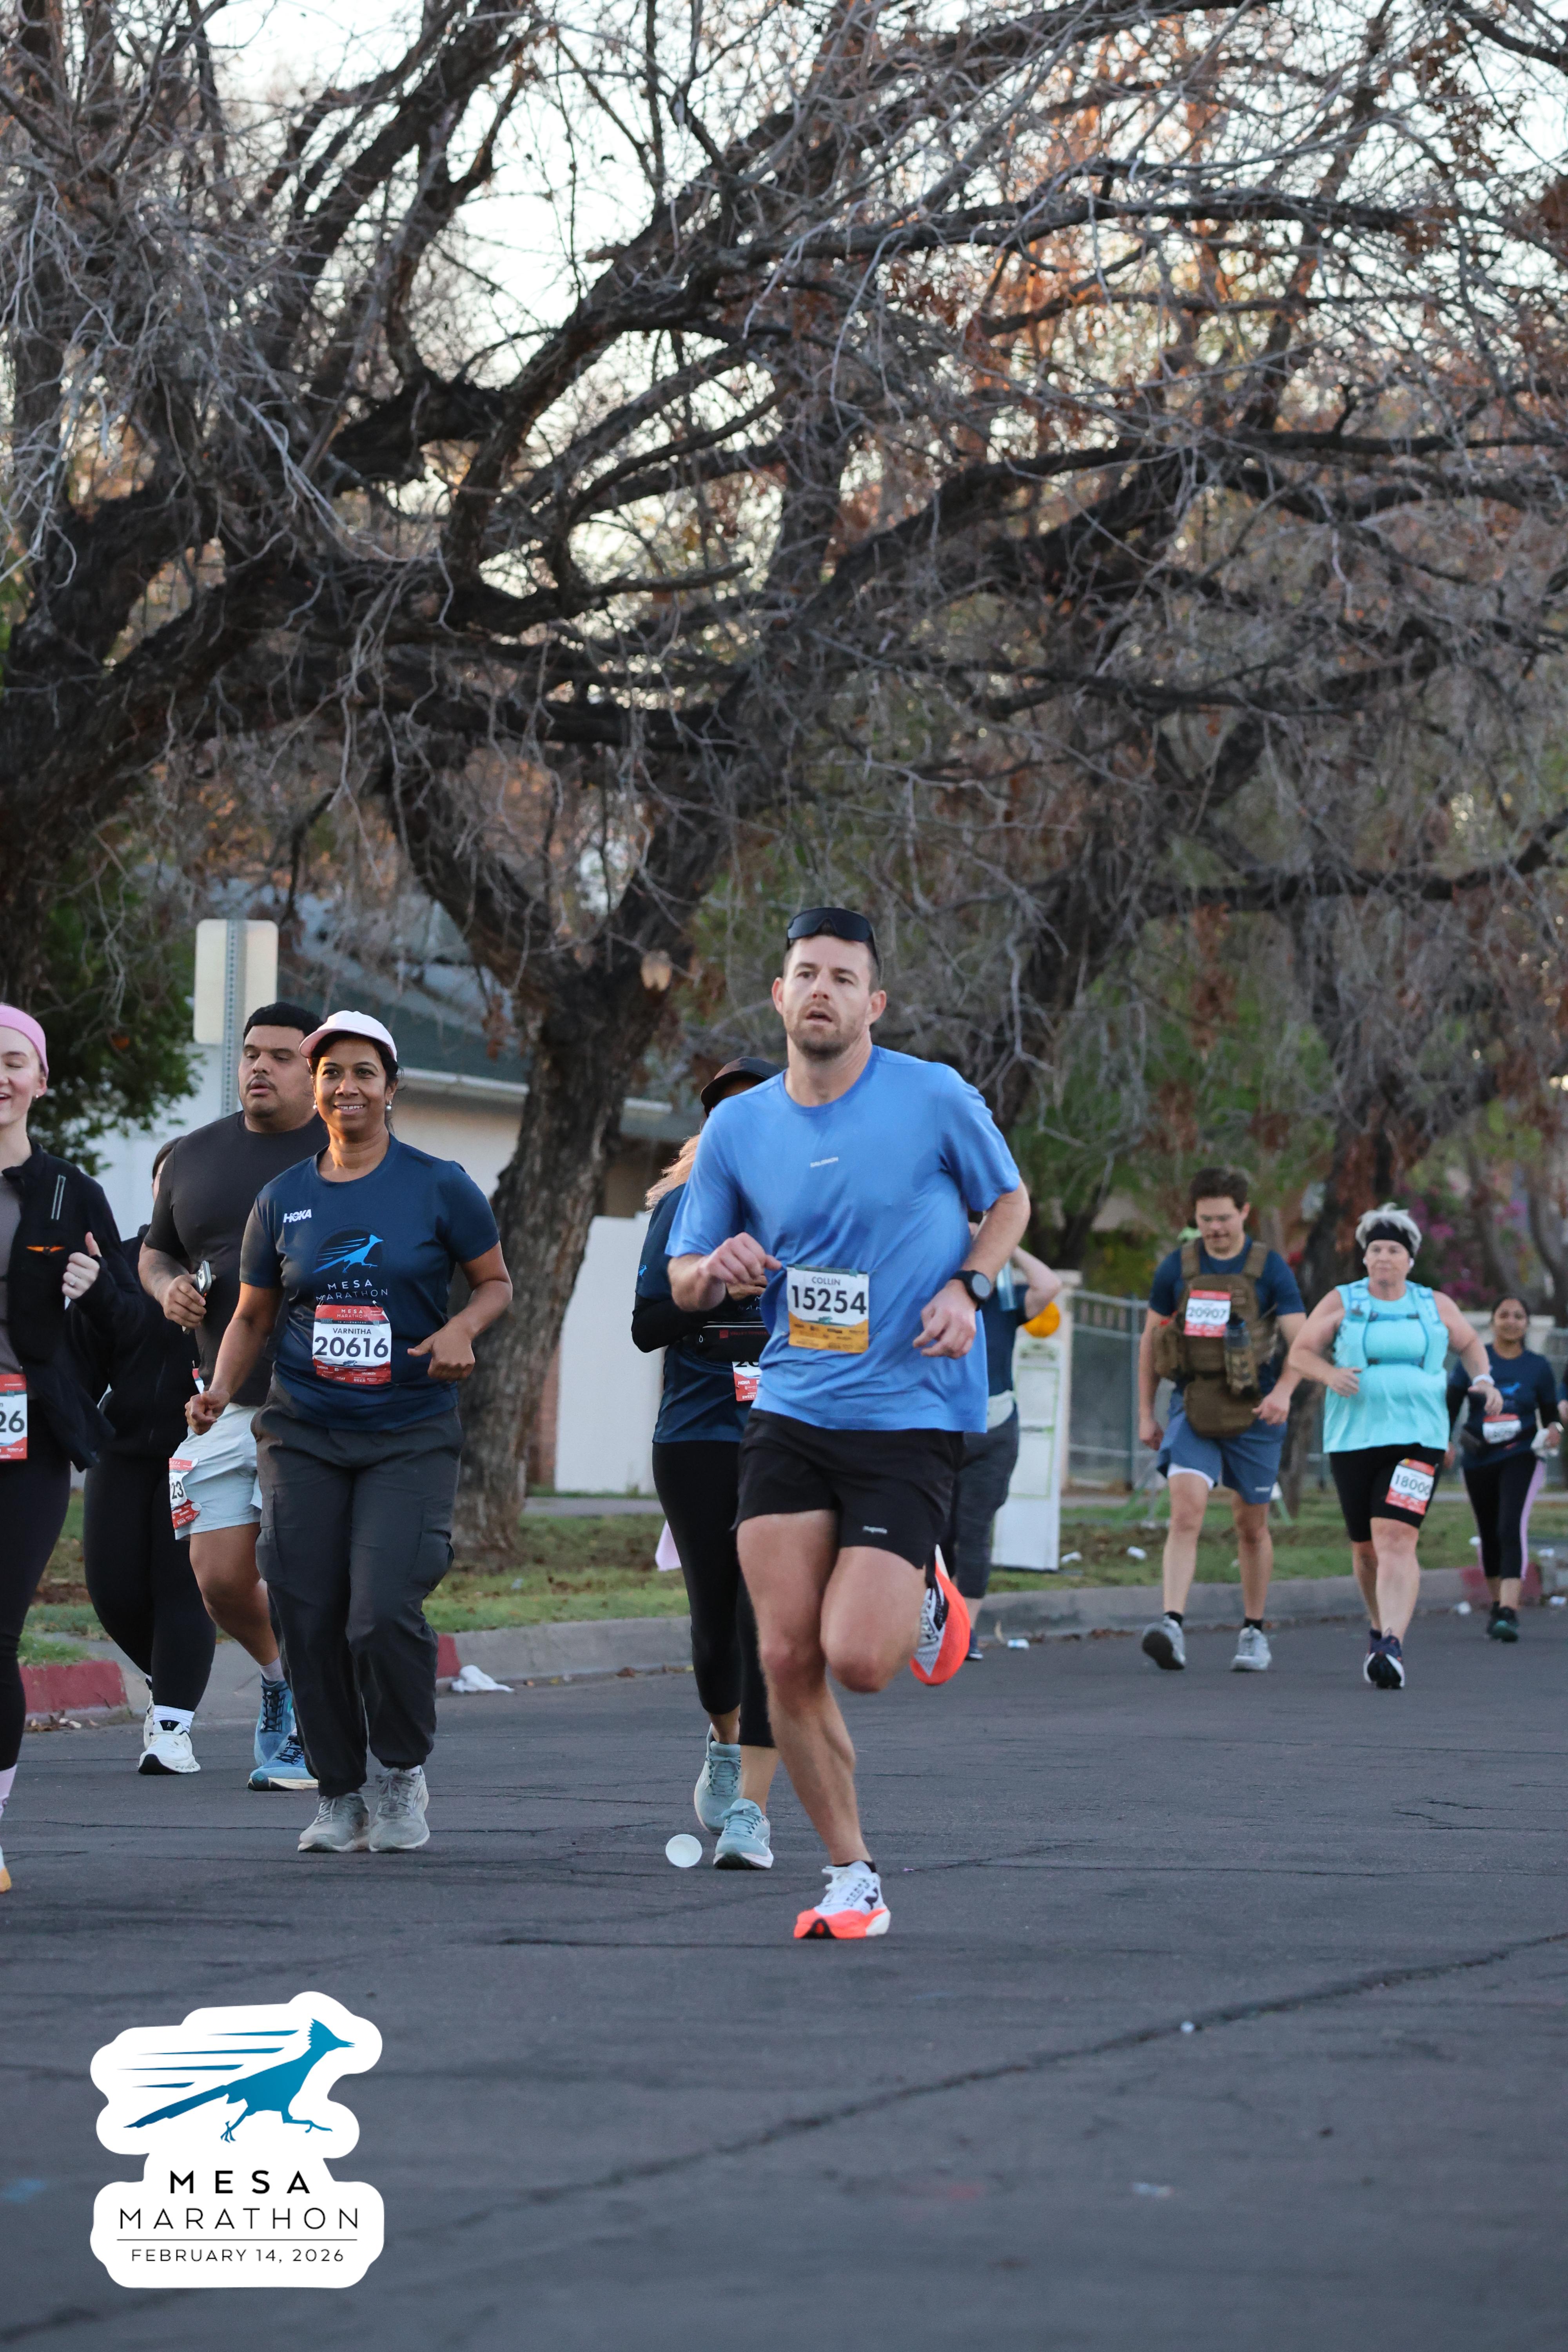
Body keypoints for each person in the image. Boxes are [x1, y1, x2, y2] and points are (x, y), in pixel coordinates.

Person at [668, 909, 1029, 1941]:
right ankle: (851, 1876)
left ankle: (924, 1585)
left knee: (860, 1661)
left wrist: (970, 1284)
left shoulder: (933, 1096)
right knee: (785, 1657)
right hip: (789, 1408)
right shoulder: (739, 1129)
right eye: (805, 974)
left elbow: (1008, 1203)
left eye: (841, 977)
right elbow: (683, 1276)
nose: (820, 991)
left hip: (908, 1412)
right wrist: (715, 1268)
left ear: (873, 1003)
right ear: (779, 996)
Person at [187, 1012, 512, 1856]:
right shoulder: (283, 1197)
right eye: (331, 1072)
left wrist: (462, 1328)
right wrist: (218, 1389)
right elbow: (252, 1314)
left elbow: (495, 1283)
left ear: (391, 1088)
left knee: (379, 1611)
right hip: (303, 1432)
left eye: (364, 1072)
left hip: (408, 1431)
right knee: (304, 1607)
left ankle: (399, 1771)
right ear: (316, 1085)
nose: (347, 1087)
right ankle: (339, 1792)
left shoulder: (438, 1185)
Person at [141, 1000, 327, 1791]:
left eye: (282, 1057)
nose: (259, 1067)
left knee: (304, 1571)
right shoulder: (195, 1156)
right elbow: (156, 1251)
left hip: (324, 1404)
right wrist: (167, 1288)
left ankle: (314, 1728)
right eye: (252, 1053)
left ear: (314, 1072)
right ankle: (281, 1678)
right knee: (219, 1577)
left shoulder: (345, 1152)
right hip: (225, 1399)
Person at [634, 1056, 783, 1868]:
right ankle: (723, 1741)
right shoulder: (682, 1206)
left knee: (769, 1624)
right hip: (696, 1436)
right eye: (723, 1111)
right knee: (715, 1623)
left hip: (788, 1435)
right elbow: (645, 1326)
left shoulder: (811, 1200)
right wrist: (715, 1291)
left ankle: (752, 1809)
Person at [0, 1006, 123, 1893]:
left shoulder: (70, 1193)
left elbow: (128, 1326)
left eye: (13, 1062)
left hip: (31, 1436)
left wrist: (93, 1289)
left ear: (41, 1081)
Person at [1289, 1203, 1501, 1689]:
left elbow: (1470, 1345)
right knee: (1366, 1549)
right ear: (1365, 1258)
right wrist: (1330, 1374)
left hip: (1419, 1439)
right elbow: (1301, 1352)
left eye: (1393, 1250)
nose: (1384, 1257)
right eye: (1376, 1250)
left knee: (1396, 1537)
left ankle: (1392, 1644)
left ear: (1410, 1260)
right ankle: (1377, 1624)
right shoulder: (1343, 1300)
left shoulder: (1434, 1304)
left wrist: (1484, 1380)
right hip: (1354, 1438)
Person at [68, 1142, 214, 1774]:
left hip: (201, 1450)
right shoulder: (118, 1263)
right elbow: (78, 1360)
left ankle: (173, 1729)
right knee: (114, 1590)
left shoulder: (236, 1266)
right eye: (165, 1186)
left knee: (181, 1587)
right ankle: (171, 1679)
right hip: (121, 1447)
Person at [1136, 1170, 1306, 1674]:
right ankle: (1171, 1623)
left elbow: (1302, 1341)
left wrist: (1283, 1393)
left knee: (1250, 1526)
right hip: (1194, 1404)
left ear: (1245, 1213)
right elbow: (1151, 1341)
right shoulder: (1178, 1267)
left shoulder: (1269, 1268)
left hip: (1255, 1409)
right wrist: (1146, 1413)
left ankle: (1253, 1630)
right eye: (1205, 1219)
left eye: (1224, 1218)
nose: (1214, 1228)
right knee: (1185, 1511)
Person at [945, 1236, 1062, 1659]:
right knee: (938, 1532)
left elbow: (1049, 1286)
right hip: (942, 1429)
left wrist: (1007, 1243)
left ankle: (965, 1632)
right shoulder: (939, 1295)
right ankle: (935, 1624)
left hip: (995, 1431)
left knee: (974, 1533)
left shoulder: (1005, 1303)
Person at [1445, 1294, 1559, 1643]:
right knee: (1490, 1531)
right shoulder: (1473, 1361)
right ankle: (1497, 1605)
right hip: (1478, 1457)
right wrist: (1444, 1442)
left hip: (1521, 1455)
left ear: (1527, 1324)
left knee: (1510, 1526)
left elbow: (1550, 1414)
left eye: (1519, 1316)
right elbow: (1450, 1407)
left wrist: (1555, 1429)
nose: (1511, 1322)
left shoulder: (1537, 1367)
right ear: (1493, 1321)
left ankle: (1510, 1610)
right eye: (1505, 1315)